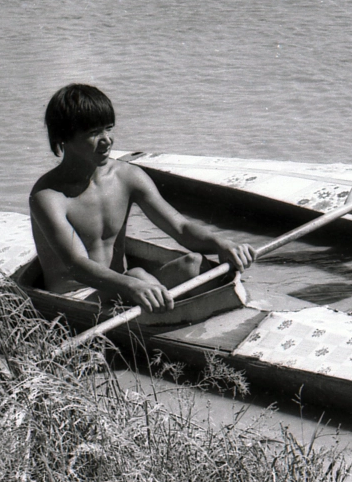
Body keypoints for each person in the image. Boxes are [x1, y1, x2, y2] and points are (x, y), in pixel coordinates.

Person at [29, 83, 255, 313]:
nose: (106, 140)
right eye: (93, 133)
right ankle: (178, 318)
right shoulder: (48, 196)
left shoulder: (127, 176)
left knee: (193, 264)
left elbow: (180, 226)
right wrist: (132, 283)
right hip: (78, 299)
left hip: (129, 285)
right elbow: (77, 265)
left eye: (108, 128)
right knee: (139, 274)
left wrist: (221, 244)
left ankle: (208, 317)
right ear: (63, 138)